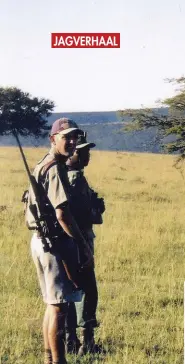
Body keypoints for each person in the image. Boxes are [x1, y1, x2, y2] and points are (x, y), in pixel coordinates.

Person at [26, 117, 94, 364]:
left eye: (74, 137)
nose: (72, 142)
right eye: (66, 137)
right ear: (53, 138)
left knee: (51, 304)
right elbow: (62, 214)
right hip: (53, 243)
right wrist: (83, 246)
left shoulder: (42, 163)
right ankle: (58, 360)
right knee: (59, 308)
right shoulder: (55, 167)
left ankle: (48, 358)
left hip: (39, 241)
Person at [64, 132, 104, 355]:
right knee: (88, 290)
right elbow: (84, 214)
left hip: (65, 242)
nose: (87, 156)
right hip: (80, 240)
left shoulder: (59, 174)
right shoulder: (76, 177)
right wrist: (97, 208)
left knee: (69, 290)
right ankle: (86, 343)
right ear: (71, 153)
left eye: (88, 152)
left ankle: (69, 340)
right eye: (82, 152)